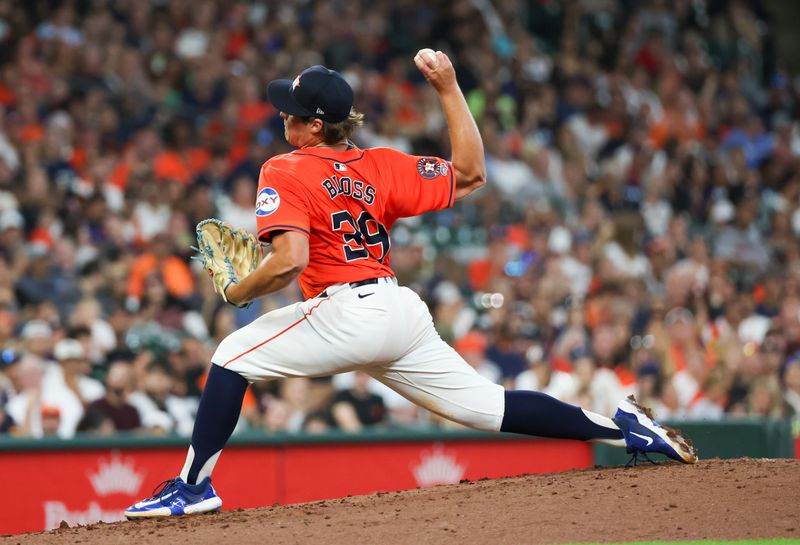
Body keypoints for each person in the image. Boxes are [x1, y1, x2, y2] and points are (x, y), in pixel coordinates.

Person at [125, 52, 696, 519]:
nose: (285, 119)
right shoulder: (382, 165)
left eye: (293, 113)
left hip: (347, 313)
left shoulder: (284, 168)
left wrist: (240, 291)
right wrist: (449, 87)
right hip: (400, 310)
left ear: (315, 125)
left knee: (229, 356)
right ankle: (625, 430)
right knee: (487, 406)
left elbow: (291, 261)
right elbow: (471, 174)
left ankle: (194, 486)